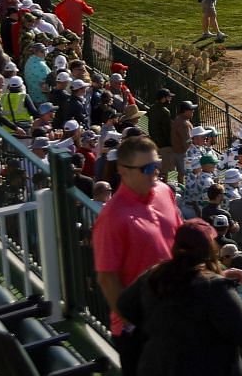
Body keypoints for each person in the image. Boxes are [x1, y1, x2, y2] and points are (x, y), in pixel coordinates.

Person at [117, 218, 242, 376]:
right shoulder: (214, 287)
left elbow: (124, 306)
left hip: (157, 367)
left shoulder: (155, 275)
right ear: (208, 249)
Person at [93, 134, 182, 337]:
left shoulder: (164, 191)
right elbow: (107, 278)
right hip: (140, 327)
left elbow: (178, 242)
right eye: (147, 169)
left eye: (157, 165)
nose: (156, 173)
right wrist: (134, 322)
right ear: (123, 170)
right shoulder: (112, 216)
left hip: (173, 313)